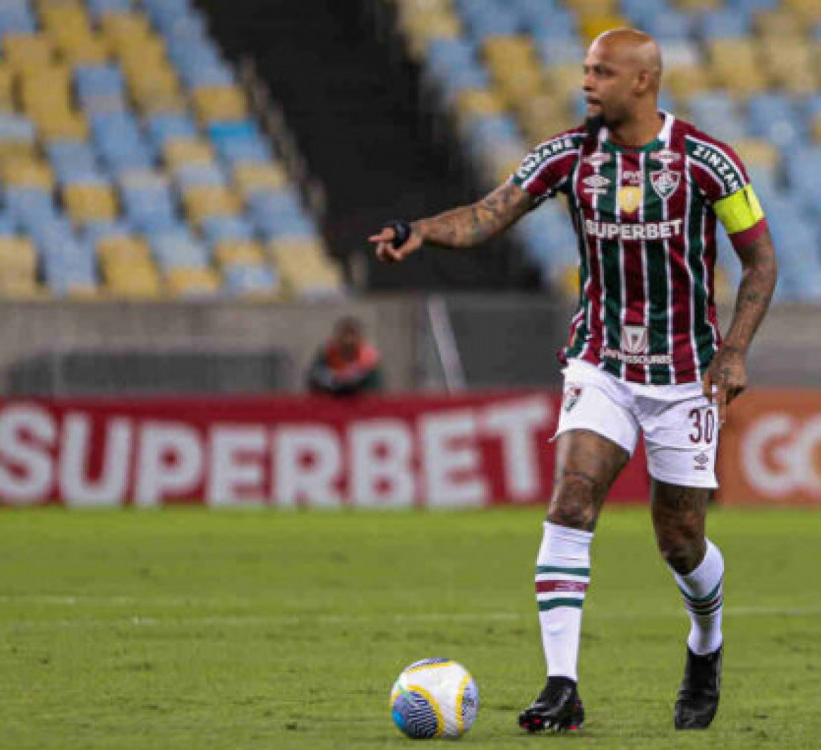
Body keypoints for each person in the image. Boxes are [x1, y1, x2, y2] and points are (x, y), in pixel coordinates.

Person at [370, 28, 777, 733]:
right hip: (600, 364)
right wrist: (424, 231)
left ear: (643, 81)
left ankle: (705, 644)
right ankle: (562, 686)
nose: (587, 82)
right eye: (586, 69)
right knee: (572, 497)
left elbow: (761, 261)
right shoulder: (568, 155)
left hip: (684, 376)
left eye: (601, 72)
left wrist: (734, 351)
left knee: (679, 540)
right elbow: (489, 213)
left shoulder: (707, 162)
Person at [306, 317, 383, 396]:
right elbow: (314, 380)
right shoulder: (326, 356)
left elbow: (375, 390)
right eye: (344, 334)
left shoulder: (369, 362)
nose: (348, 340)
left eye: (352, 335)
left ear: (359, 338)